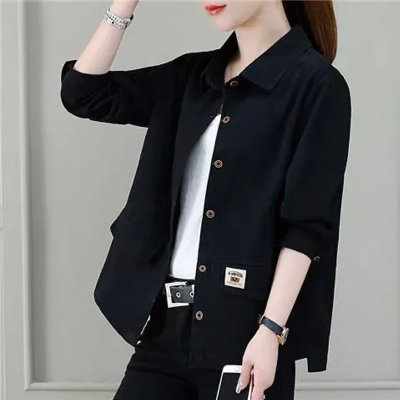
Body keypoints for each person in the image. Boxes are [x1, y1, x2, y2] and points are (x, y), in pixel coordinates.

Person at [60, 0, 352, 399]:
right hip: (166, 327)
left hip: (247, 335)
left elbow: (306, 226)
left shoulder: (317, 86)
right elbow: (83, 93)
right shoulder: (192, 78)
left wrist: (270, 331)